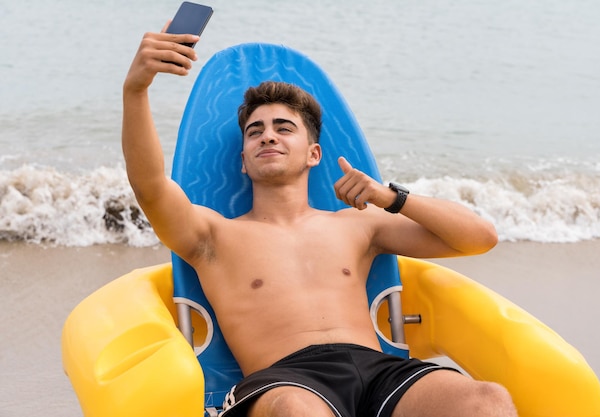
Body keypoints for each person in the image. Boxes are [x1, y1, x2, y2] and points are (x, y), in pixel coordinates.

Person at [122, 27, 517, 417]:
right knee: (296, 410)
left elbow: (479, 238)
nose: (268, 137)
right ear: (243, 160)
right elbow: (151, 185)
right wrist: (136, 90)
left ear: (313, 154)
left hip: (379, 373)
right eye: (255, 131)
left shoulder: (358, 225)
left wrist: (391, 198)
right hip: (284, 382)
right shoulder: (212, 235)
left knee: (488, 400)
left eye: (284, 128)